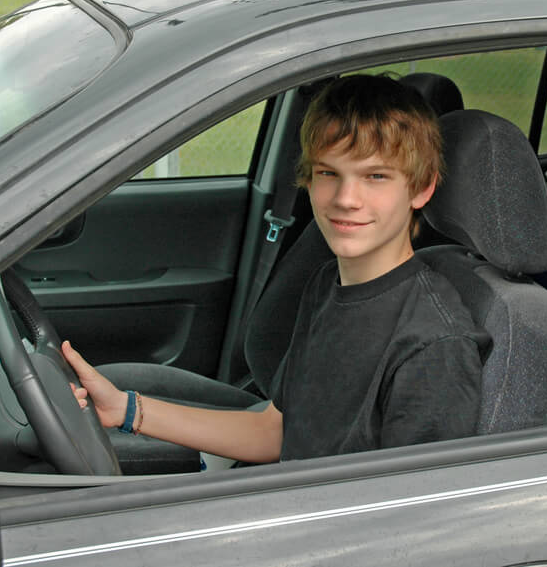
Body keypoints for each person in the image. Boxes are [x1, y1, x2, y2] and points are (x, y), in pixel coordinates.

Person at [62, 73, 490, 464]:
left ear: (422, 187)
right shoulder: (328, 285)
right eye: (329, 173)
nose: (346, 198)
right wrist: (127, 409)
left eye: (375, 177)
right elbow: (276, 434)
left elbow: (409, 519)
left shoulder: (435, 347)